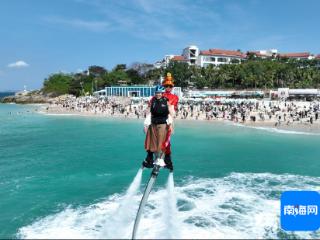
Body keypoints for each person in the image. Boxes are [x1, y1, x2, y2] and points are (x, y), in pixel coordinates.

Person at [142, 85, 174, 171]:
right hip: (153, 124)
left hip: (163, 124)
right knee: (152, 142)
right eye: (156, 93)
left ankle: (161, 160)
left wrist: (171, 125)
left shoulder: (166, 101)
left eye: (159, 93)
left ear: (162, 93)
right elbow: (149, 113)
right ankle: (153, 159)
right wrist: (145, 124)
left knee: (161, 143)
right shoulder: (153, 101)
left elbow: (170, 114)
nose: (158, 94)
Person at [161, 72, 179, 169]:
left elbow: (172, 108)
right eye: (166, 86)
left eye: (170, 86)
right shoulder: (159, 95)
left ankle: (167, 158)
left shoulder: (175, 97)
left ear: (172, 87)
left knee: (167, 140)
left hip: (168, 119)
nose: (168, 87)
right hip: (159, 118)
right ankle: (151, 155)